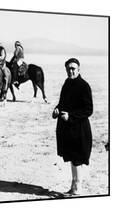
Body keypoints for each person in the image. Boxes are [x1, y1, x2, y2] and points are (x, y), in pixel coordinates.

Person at [52, 58, 93, 195]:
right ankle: (74, 186)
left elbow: (88, 110)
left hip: (79, 129)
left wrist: (71, 116)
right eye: (68, 68)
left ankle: (77, 188)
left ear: (79, 69)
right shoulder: (67, 83)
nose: (71, 71)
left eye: (73, 68)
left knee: (77, 160)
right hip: (67, 129)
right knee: (72, 159)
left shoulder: (84, 86)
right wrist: (57, 110)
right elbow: (62, 102)